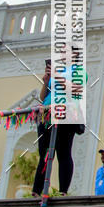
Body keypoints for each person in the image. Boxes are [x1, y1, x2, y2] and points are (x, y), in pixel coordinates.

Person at [32, 51, 86, 197]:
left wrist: (57, 76)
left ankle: (63, 190)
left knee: (64, 153)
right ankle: (37, 190)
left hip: (65, 114)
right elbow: (43, 97)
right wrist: (46, 81)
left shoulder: (78, 71)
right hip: (47, 115)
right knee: (44, 153)